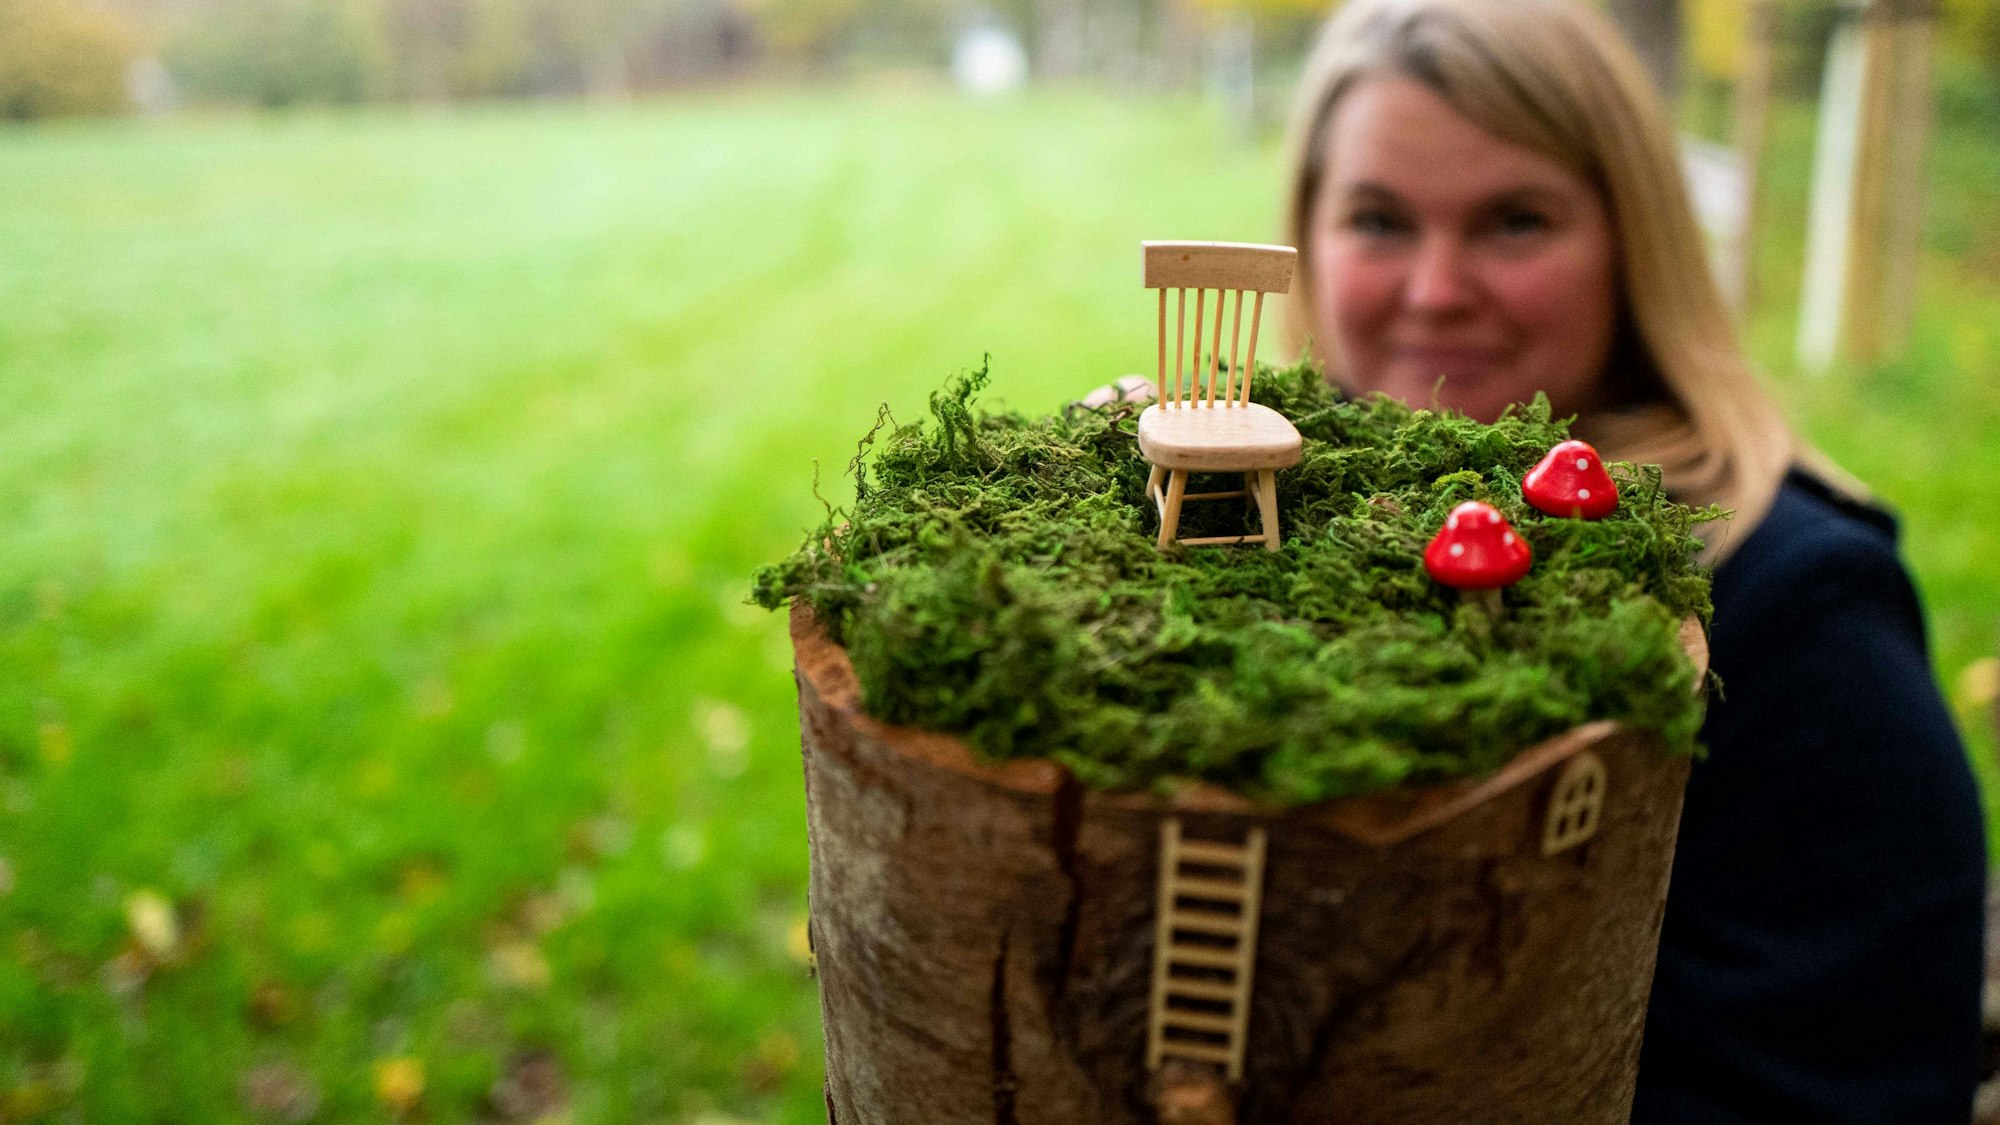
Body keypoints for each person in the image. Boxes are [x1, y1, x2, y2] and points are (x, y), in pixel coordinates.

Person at [1088, 0, 1986, 1119]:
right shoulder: (1315, 538)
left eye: (1514, 221)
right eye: (1378, 219)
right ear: (1308, 236)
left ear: (1631, 244)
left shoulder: (1797, 610)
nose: (1435, 290)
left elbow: (1846, 1084)